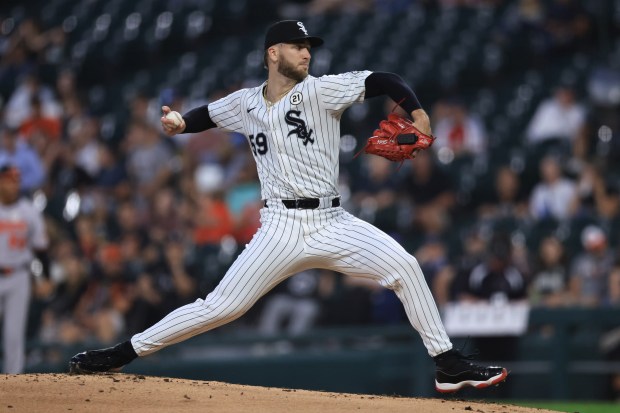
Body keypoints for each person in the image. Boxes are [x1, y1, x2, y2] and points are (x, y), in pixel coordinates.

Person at [68, 20, 508, 393]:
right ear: (273, 53)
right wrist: (180, 123)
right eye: (298, 47)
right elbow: (208, 115)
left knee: (406, 266)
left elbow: (383, 79)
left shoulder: (322, 91)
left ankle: (447, 363)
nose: (307, 53)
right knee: (221, 307)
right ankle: (123, 352)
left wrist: (417, 112)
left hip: (332, 220)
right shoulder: (246, 103)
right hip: (279, 225)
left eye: (309, 47)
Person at [0, 164, 50, 373]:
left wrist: (44, 277)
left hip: (19, 275)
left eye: (17, 180)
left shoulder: (29, 211)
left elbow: (41, 250)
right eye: (10, 180)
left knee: (13, 335)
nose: (14, 184)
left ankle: (13, 385)